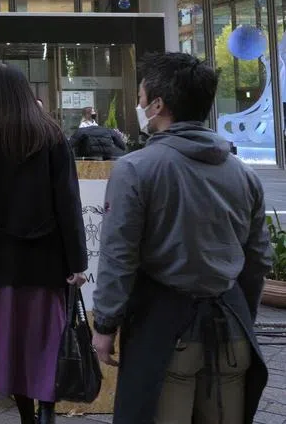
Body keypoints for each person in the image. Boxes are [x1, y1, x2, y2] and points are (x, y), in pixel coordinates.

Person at [93, 53, 272, 424]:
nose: (139, 104)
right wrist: (245, 315)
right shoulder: (243, 174)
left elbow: (119, 256)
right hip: (232, 330)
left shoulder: (136, 169)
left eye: (141, 97)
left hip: (164, 335)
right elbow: (258, 260)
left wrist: (105, 325)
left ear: (158, 105)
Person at [0, 65, 87, 424]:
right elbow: (68, 202)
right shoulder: (53, 136)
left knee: (9, 343)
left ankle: (27, 415)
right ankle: (47, 411)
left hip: (0, 258)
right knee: (45, 340)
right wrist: (77, 261)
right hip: (48, 259)